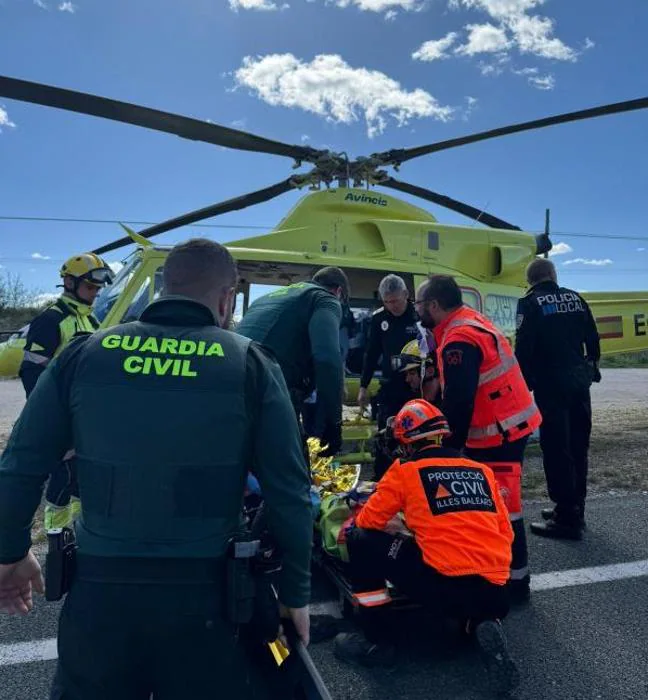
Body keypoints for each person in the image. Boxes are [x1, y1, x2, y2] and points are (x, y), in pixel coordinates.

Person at [0, 238, 313, 700]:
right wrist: (295, 595)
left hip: (100, 594)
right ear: (228, 298)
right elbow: (289, 491)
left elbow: (21, 465)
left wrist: (10, 553)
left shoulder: (84, 353)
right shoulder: (250, 363)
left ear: (163, 286)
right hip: (206, 601)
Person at [334, 399, 520, 695]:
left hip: (441, 589)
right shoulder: (480, 471)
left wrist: (403, 529)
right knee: (462, 576)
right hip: (497, 592)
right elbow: (505, 532)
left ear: (407, 443)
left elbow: (369, 520)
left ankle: (377, 642)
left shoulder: (406, 471)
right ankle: (478, 622)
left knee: (360, 539)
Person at [414, 275, 542, 603]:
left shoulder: (459, 337)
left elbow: (459, 400)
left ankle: (516, 584)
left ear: (434, 305)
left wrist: (449, 448)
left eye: (419, 304)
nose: (417, 310)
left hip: (500, 431)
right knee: (492, 504)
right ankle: (497, 572)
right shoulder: (466, 321)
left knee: (504, 508)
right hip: (504, 424)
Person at [19, 252, 114, 532]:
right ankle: (55, 533)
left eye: (97, 289)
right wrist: (53, 424)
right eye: (90, 287)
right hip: (61, 417)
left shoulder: (93, 323)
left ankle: (77, 530)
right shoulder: (51, 321)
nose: (94, 294)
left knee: (81, 479)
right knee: (62, 479)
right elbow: (32, 375)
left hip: (85, 417)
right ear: (69, 282)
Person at [515, 258, 601, 540]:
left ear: (531, 281)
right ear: (553, 275)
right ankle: (577, 508)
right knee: (578, 446)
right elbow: (593, 337)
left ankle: (566, 519)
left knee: (556, 448)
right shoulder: (575, 298)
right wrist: (592, 367)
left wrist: (522, 386)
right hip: (579, 384)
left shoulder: (529, 304)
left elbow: (524, 347)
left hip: (551, 386)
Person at [236, 267, 350, 458]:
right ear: (338, 291)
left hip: (233, 389)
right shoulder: (324, 299)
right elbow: (328, 360)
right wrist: (334, 422)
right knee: (293, 472)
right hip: (267, 392)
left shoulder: (269, 297)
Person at [357, 274, 420, 479]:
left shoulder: (419, 316)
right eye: (387, 302)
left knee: (415, 434)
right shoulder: (379, 318)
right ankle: (383, 480)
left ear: (406, 295)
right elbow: (372, 352)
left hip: (416, 387)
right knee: (386, 435)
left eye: (396, 301)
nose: (392, 306)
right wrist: (363, 386)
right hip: (390, 385)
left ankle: (416, 476)